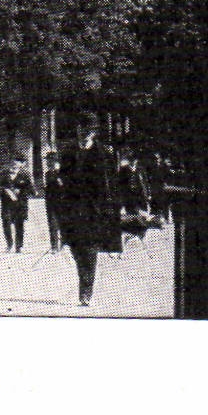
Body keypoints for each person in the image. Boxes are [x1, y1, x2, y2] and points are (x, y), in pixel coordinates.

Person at [61, 120, 121, 306]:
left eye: (89, 131)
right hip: (71, 210)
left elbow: (110, 186)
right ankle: (84, 279)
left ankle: (86, 291)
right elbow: (63, 179)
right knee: (76, 250)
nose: (85, 133)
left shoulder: (104, 154)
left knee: (89, 250)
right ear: (78, 129)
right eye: (82, 129)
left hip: (93, 211)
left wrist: (108, 212)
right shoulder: (68, 153)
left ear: (94, 133)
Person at [0, 160, 33, 252]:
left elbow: (30, 189)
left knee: (19, 224)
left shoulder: (25, 175)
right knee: (6, 223)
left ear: (20, 166)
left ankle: (19, 246)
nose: (14, 166)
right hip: (6, 204)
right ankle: (9, 244)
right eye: (12, 164)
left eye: (16, 164)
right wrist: (5, 191)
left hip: (20, 204)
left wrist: (21, 191)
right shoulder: (3, 175)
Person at [43, 150, 65, 252]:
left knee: (62, 223)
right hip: (50, 202)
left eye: (49, 161)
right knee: (52, 224)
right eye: (47, 161)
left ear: (55, 161)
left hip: (62, 202)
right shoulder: (47, 174)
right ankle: (54, 246)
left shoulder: (63, 173)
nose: (47, 163)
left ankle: (63, 243)